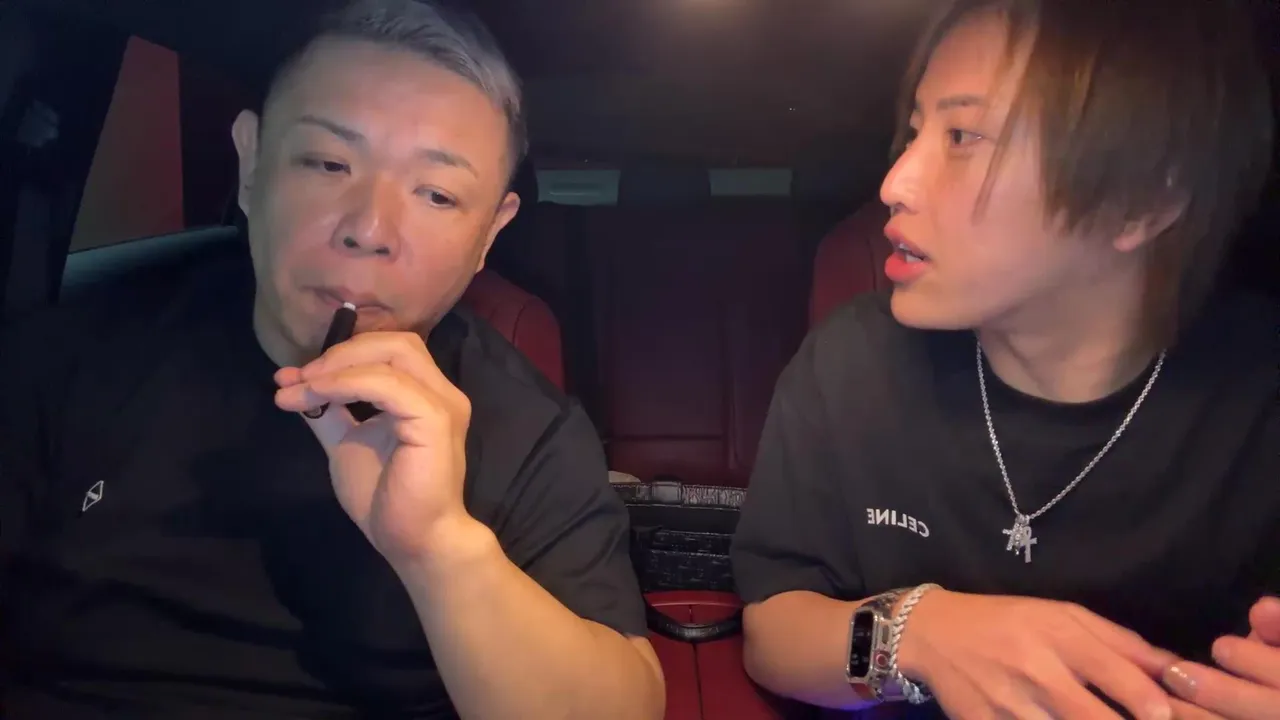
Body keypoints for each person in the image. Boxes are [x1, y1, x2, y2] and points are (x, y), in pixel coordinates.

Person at [0, 1, 664, 718]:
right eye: (327, 162)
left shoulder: (528, 431)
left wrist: (439, 548)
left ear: (488, 236)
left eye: (437, 194)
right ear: (251, 165)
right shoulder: (68, 358)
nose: (369, 228)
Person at [730, 0, 1277, 718]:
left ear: (1141, 203)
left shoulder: (1259, 404)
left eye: (962, 136)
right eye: (915, 132)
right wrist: (914, 634)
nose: (895, 183)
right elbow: (774, 631)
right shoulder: (852, 368)